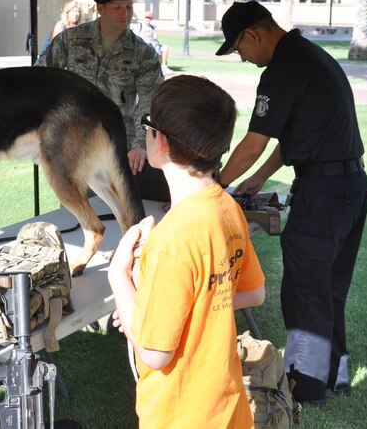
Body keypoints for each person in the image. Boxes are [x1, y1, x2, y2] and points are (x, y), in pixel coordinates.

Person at [214, 0, 367, 406]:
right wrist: (260, 178)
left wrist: (215, 186)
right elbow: (297, 136)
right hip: (351, 186)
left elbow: (253, 143)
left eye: (240, 49)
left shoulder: (281, 69)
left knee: (305, 290)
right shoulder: (310, 56)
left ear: (253, 34)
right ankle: (335, 374)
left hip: (322, 195)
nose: (244, 58)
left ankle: (305, 386)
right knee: (329, 288)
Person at [109, 75, 266, 428]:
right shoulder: (227, 208)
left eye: (147, 125)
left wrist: (119, 277)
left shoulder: (170, 241)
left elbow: (154, 353)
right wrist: (145, 310)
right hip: (226, 407)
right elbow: (253, 292)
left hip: (180, 415)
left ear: (159, 141)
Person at [36, 0, 168, 201]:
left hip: (120, 152)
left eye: (128, 7)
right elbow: (39, 78)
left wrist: (140, 145)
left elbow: (151, 102)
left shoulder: (143, 53)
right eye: (117, 7)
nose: (124, 14)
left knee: (121, 213)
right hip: (73, 148)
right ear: (100, 8)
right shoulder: (71, 40)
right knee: (78, 213)